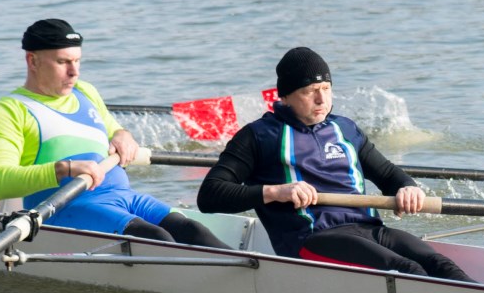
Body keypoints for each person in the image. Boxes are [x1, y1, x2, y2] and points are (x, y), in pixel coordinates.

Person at [198, 47, 469, 280]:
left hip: (368, 229)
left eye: (326, 89)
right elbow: (210, 196)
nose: (321, 99)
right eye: (309, 91)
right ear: (284, 97)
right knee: (405, 269)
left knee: (441, 264)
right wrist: (276, 192)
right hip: (313, 241)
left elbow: (388, 174)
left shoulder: (345, 128)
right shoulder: (258, 136)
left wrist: (408, 187)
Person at [0, 19, 227, 248]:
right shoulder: (10, 110)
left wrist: (123, 134)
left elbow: (114, 130)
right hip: (63, 207)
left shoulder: (85, 91)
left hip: (123, 197)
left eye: (77, 61)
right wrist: (64, 168)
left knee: (194, 231)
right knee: (156, 238)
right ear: (32, 61)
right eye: (62, 62)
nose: (74, 72)